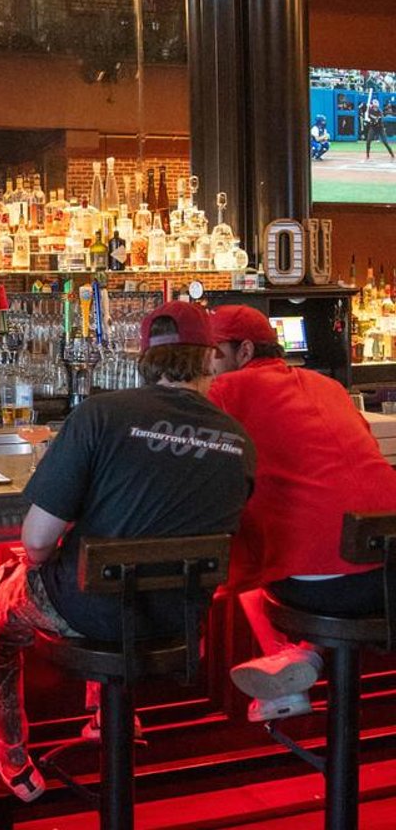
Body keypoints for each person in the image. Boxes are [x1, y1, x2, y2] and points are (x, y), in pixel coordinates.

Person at [0, 301, 255, 802]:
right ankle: (110, 716)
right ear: (210, 359)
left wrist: (34, 566)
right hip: (179, 621)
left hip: (91, 610)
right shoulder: (239, 438)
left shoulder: (102, 414)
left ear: (142, 357)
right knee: (117, 578)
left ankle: (10, 758)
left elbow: (36, 541)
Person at [207, 305, 396, 721]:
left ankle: (284, 666)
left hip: (326, 588)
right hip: (389, 573)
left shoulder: (225, 391)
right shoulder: (327, 385)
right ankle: (303, 658)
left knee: (241, 557)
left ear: (244, 350)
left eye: (214, 353)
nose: (207, 364)